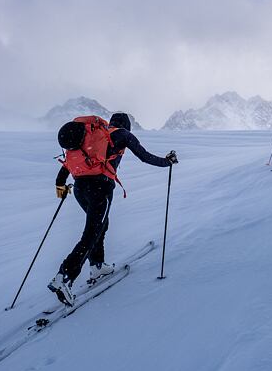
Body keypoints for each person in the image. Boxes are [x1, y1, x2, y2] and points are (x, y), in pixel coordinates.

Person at [48, 113, 178, 306]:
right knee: (92, 232)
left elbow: (66, 166)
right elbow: (145, 157)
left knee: (100, 226)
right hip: (100, 188)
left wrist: (61, 186)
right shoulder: (123, 134)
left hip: (80, 188)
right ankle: (64, 277)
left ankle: (97, 266)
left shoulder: (89, 137)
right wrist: (167, 161)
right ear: (126, 125)